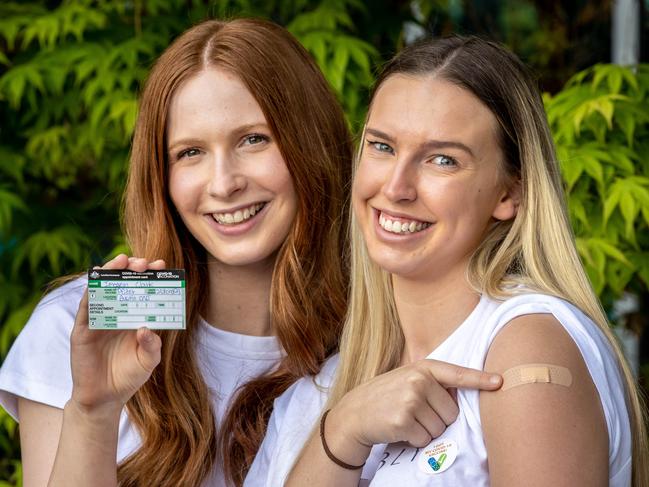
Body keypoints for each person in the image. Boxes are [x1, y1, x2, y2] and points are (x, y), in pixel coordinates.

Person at [248, 36, 648, 487]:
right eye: (382, 147)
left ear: (510, 192)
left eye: (442, 160)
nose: (397, 187)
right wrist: (343, 433)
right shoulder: (322, 391)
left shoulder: (529, 343)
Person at [0, 18, 355, 487]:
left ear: (312, 143)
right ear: (160, 177)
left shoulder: (373, 331)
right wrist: (93, 411)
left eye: (253, 139)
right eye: (190, 152)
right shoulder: (86, 324)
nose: (224, 183)